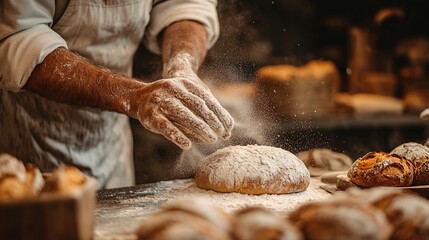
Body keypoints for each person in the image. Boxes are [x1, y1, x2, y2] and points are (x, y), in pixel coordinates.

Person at [0, 0, 234, 189]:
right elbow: (19, 36)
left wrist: (182, 62)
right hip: (25, 154)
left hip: (111, 149)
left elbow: (183, 4)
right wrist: (133, 96)